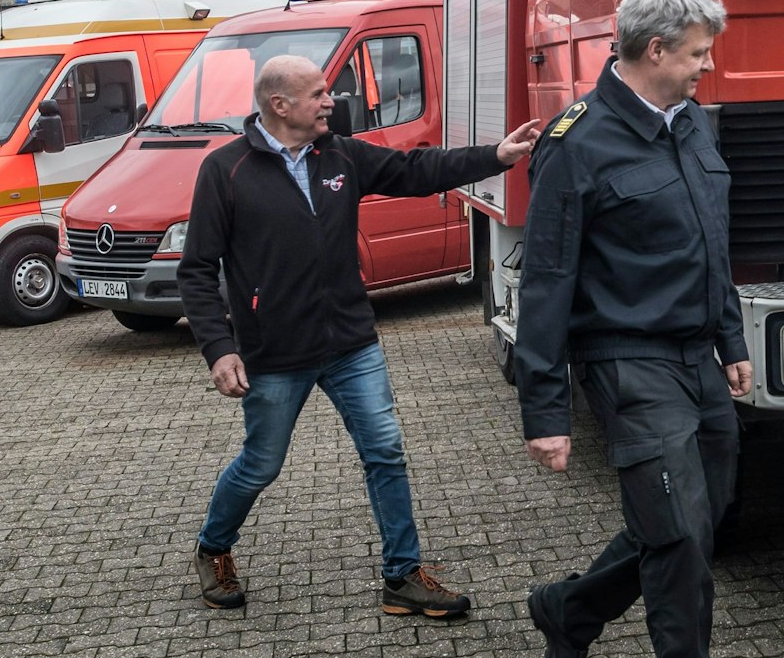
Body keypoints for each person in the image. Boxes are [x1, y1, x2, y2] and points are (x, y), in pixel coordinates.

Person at [179, 53, 541, 616]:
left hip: (351, 343)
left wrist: (496, 156)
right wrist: (219, 349)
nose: (332, 102)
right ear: (280, 105)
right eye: (320, 93)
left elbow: (417, 170)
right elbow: (197, 270)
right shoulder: (224, 171)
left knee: (385, 451)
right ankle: (213, 547)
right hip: (276, 352)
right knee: (262, 464)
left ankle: (401, 575)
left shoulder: (339, 153)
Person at [515, 0, 755, 658]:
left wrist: (732, 341)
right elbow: (546, 281)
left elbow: (711, 245)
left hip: (697, 356)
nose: (705, 67)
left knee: (694, 520)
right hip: (626, 360)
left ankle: (570, 610)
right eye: (695, 53)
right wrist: (545, 412)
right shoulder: (575, 144)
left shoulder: (691, 123)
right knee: (679, 539)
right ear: (654, 49)